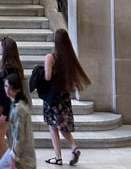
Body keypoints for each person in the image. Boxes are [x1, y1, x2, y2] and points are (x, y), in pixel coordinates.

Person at [43, 29, 91, 166]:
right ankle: (74, 148)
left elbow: (47, 77)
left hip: (53, 98)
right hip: (64, 97)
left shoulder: (50, 58)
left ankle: (58, 157)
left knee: (53, 127)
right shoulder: (69, 58)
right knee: (63, 126)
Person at [0, 37, 30, 158]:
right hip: (12, 108)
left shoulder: (8, 71)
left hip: (7, 110)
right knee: (11, 139)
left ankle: (6, 163)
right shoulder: (16, 68)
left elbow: (6, 94)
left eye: (1, 46)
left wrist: (4, 113)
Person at [0, 73, 37, 169]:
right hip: (14, 151)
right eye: (5, 86)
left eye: (9, 87)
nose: (7, 90)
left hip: (22, 156)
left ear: (17, 89)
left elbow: (19, 136)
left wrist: (14, 159)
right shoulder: (14, 105)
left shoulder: (19, 109)